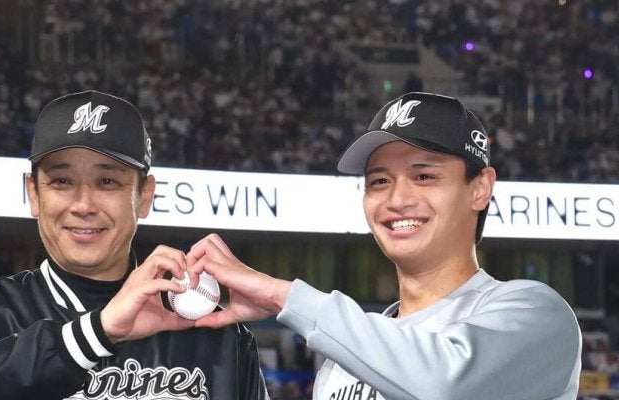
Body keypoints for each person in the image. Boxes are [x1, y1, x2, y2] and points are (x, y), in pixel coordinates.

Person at [186, 92, 582, 399]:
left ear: (480, 188)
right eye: (379, 181)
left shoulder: (535, 315)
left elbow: (445, 386)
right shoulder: (338, 363)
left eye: (424, 176)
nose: (397, 199)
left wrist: (283, 296)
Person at [0, 90, 268, 399]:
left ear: (144, 196)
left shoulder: (214, 332)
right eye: (62, 181)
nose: (83, 205)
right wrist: (96, 332)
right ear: (33, 194)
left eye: (107, 182)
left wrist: (284, 299)